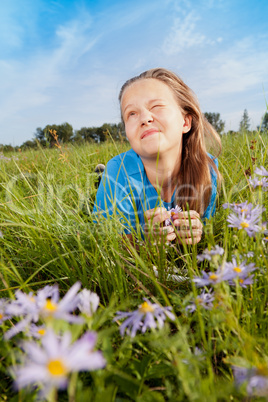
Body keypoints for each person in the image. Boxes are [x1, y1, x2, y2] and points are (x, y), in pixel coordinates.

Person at [93, 68, 221, 244]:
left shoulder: (207, 167)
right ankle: (101, 180)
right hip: (119, 178)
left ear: (185, 122)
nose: (145, 118)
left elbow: (207, 227)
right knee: (107, 181)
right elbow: (107, 244)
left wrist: (198, 233)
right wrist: (146, 244)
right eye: (131, 113)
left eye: (156, 106)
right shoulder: (117, 170)